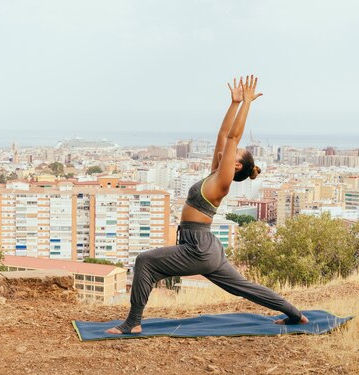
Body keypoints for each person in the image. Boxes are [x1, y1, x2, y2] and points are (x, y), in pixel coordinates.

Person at [106, 75, 309, 334]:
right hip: (203, 246)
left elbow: (233, 137)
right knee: (245, 287)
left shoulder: (222, 182)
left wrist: (248, 103)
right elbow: (225, 134)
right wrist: (234, 103)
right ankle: (296, 315)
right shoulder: (215, 173)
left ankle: (132, 322)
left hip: (198, 248)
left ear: (236, 166)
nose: (229, 147)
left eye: (235, 152)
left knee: (145, 261)